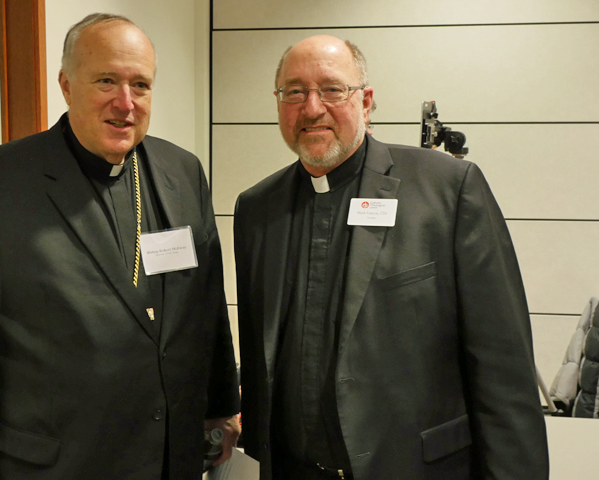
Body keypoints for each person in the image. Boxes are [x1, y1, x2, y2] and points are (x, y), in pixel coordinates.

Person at [0, 13, 240, 480]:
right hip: (60, 463)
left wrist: (221, 403)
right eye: (106, 81)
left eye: (141, 85)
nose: (125, 103)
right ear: (66, 85)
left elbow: (206, 305)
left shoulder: (183, 172)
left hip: (171, 455)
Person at [234, 35, 548, 479]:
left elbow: (503, 368)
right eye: (294, 92)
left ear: (366, 101)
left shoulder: (447, 190)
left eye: (331, 89)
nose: (311, 107)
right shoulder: (256, 209)